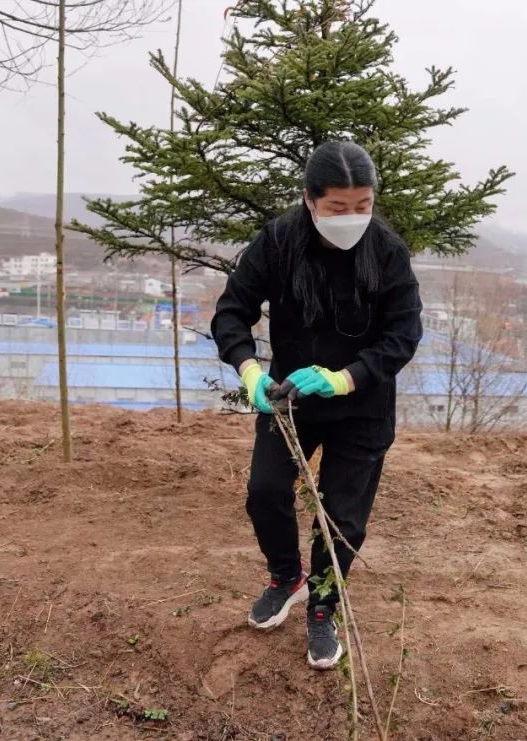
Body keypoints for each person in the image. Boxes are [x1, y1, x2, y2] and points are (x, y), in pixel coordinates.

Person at [211, 141, 423, 670]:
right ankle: (287, 576)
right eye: (337, 207)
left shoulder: (387, 251)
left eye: (363, 205)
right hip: (289, 402)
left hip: (363, 404)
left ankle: (324, 605)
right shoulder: (280, 241)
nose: (352, 218)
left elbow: (404, 333)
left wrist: (346, 378)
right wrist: (250, 370)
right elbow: (231, 311)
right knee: (264, 493)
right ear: (309, 199)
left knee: (342, 518)